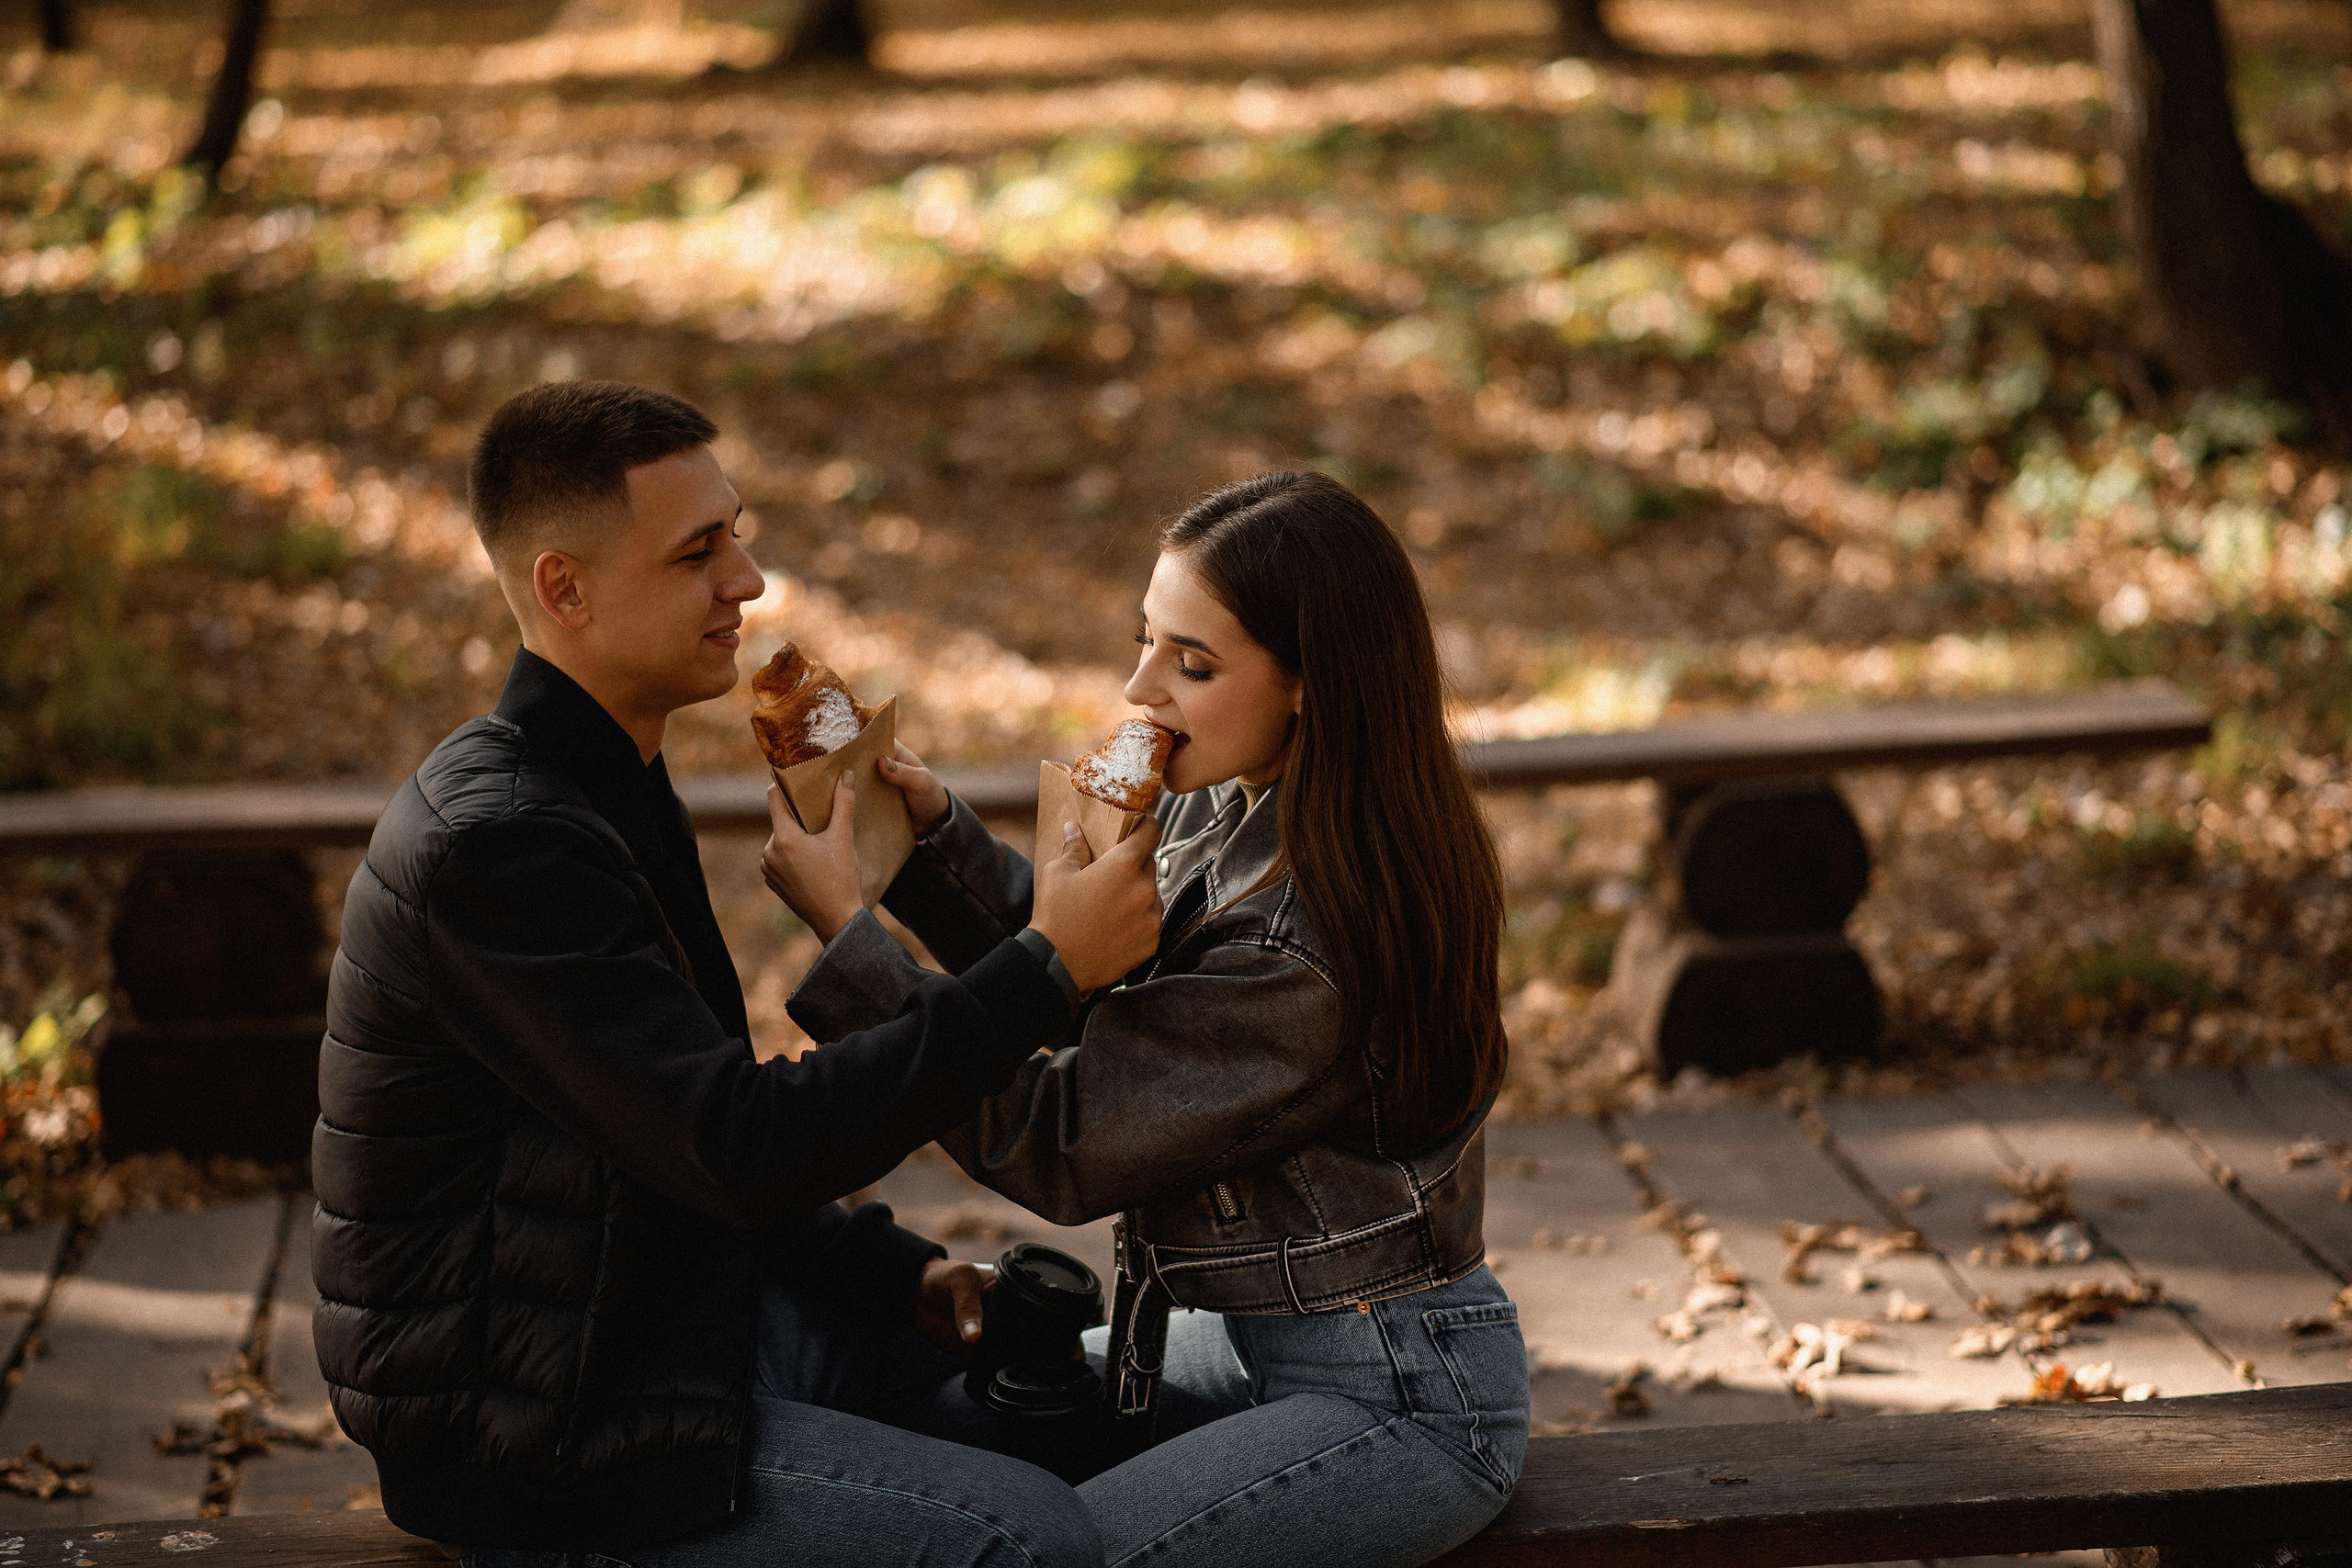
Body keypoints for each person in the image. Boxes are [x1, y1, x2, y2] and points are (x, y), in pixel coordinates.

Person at [311, 379, 1166, 1566]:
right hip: (548, 1434)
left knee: (1052, 1408)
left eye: (738, 532)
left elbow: (673, 1140)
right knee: (1034, 1537)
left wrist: (891, 1268)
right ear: (566, 587)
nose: (749, 581)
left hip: (661, 1317)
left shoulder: (604, 778)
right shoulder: (497, 842)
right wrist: (1044, 966)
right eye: (698, 551)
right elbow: (737, 1141)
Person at [772, 470, 1528, 1568]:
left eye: (1193, 663)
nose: (1140, 689)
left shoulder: (1303, 940)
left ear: (1313, 680)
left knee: (1038, 1554)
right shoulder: (1238, 805)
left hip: (1399, 1391)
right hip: (1253, 1337)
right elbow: (1105, 985)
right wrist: (934, 847)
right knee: (934, 1441)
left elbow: (1065, 1139)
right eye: (1146, 640)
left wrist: (852, 941)